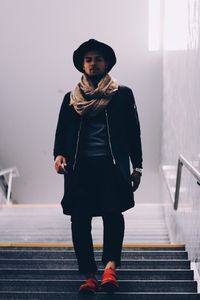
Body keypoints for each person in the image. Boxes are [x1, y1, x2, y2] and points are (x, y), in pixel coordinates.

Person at [53, 39, 143, 294]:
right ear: (82, 65)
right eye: (89, 59)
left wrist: (137, 166)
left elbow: (133, 132)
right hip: (80, 169)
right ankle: (89, 275)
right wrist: (59, 154)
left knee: (113, 215)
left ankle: (110, 269)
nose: (93, 63)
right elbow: (62, 131)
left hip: (111, 167)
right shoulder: (71, 98)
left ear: (106, 63)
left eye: (98, 59)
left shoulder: (122, 94)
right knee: (79, 220)